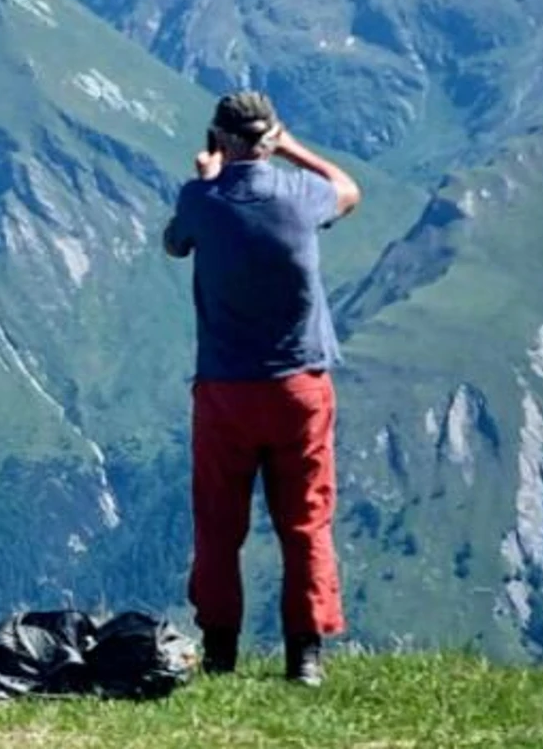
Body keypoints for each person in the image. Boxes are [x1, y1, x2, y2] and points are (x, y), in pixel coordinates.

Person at [162, 90, 361, 687]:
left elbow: (175, 243)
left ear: (218, 139)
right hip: (298, 387)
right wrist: (292, 148)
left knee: (220, 523)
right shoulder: (302, 197)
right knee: (305, 521)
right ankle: (305, 656)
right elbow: (348, 188)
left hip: (225, 389)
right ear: (269, 138)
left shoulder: (202, 199)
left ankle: (221, 650)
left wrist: (208, 178)